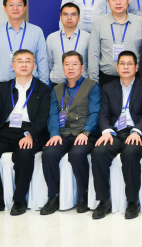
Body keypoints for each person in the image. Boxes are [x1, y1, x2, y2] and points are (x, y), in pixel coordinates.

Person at [0, 49, 50, 216]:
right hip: (6, 131)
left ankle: (19, 200)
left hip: (30, 130)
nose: (24, 64)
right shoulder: (3, 88)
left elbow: (43, 118)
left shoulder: (43, 89)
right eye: (20, 61)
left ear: (34, 65)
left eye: (28, 61)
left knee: (25, 153)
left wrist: (30, 134)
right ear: (13, 65)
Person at [91, 51, 142, 220]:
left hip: (136, 132)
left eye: (130, 64)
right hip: (115, 132)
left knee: (131, 152)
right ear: (117, 67)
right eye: (122, 64)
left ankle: (132, 201)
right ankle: (103, 201)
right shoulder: (108, 88)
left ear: (136, 67)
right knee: (99, 152)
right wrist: (106, 131)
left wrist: (137, 131)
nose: (126, 67)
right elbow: (103, 114)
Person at [40, 51, 100, 215]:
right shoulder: (56, 89)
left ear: (82, 67)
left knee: (77, 154)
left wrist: (86, 132)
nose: (70, 68)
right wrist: (54, 133)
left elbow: (95, 113)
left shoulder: (92, 86)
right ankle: (53, 197)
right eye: (67, 64)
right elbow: (53, 114)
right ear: (63, 67)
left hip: (85, 133)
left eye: (74, 64)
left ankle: (83, 195)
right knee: (48, 154)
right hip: (63, 133)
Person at [0, 0, 49, 107]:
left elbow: (42, 60)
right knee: (0, 119)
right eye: (11, 5)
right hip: (2, 86)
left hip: (30, 86)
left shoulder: (36, 31)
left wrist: (43, 88)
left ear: (25, 8)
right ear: (5, 8)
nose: (15, 8)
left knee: (30, 118)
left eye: (19, 4)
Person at [88, 0, 142, 86]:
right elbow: (93, 54)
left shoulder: (140, 22)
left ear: (128, 0)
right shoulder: (98, 23)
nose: (118, 2)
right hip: (107, 79)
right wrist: (94, 83)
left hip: (135, 79)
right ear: (108, 1)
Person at [45, 2, 90, 86]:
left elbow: (90, 63)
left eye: (73, 14)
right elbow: (49, 63)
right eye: (65, 14)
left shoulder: (88, 37)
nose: (69, 18)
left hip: (82, 85)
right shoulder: (51, 38)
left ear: (79, 18)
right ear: (61, 17)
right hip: (58, 84)